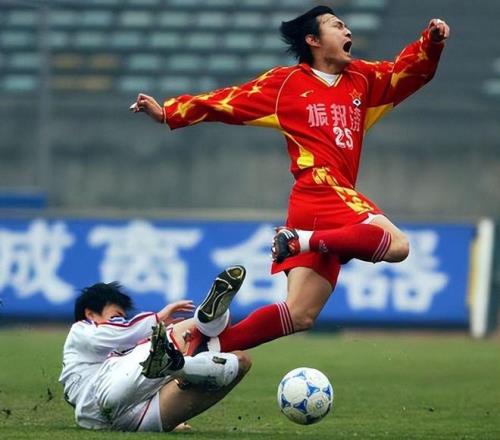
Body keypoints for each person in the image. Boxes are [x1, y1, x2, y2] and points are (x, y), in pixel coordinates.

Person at [131, 6, 450, 351]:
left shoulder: (362, 78)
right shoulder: (286, 84)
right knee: (398, 245)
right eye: (336, 25)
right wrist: (169, 112)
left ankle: (197, 345)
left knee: (300, 314)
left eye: (346, 26)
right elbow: (227, 100)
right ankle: (301, 241)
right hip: (320, 186)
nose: (347, 31)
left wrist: (431, 42)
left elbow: (406, 72)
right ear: (313, 40)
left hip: (321, 202)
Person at [59, 266, 250, 432]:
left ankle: (183, 362)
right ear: (90, 314)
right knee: (179, 333)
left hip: (128, 418)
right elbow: (120, 332)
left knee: (240, 362)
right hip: (106, 394)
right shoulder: (80, 331)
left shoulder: (99, 358)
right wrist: (157, 318)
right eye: (116, 317)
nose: (122, 322)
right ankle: (202, 326)